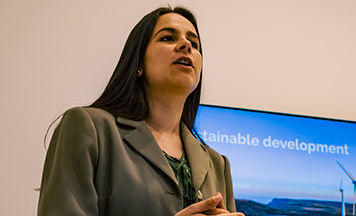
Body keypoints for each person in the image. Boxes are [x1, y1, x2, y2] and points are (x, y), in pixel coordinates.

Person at [37, 6, 243, 216]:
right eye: (168, 38)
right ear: (138, 63)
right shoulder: (88, 127)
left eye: (195, 43)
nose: (186, 45)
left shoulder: (218, 164)